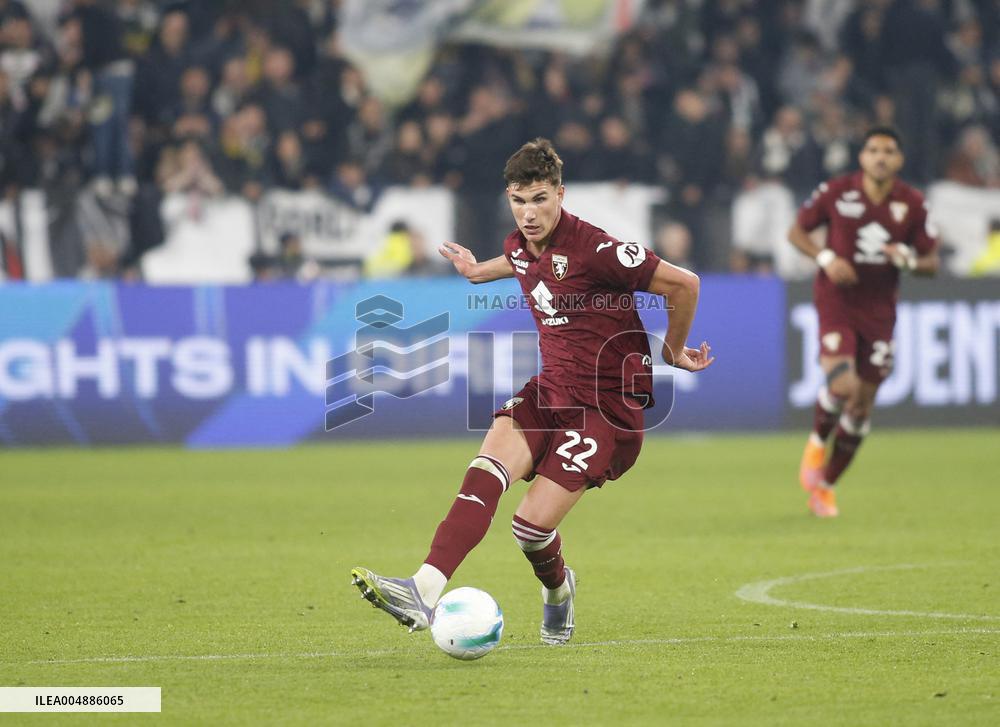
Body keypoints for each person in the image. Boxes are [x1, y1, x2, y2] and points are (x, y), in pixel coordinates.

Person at [351, 138, 714, 644]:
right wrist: (478, 272)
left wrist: (672, 353)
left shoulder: (598, 250)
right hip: (549, 391)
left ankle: (559, 590)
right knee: (485, 468)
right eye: (519, 201)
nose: (529, 213)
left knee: (530, 528)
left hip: (606, 411)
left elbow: (685, 285)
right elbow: (518, 262)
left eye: (540, 198)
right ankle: (422, 590)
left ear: (560, 195)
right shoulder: (520, 246)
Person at [788, 127, 939, 518]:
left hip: (880, 311)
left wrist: (906, 259)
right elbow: (797, 231)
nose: (880, 157)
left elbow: (931, 262)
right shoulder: (837, 192)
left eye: (889, 151)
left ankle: (826, 486)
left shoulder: (913, 203)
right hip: (837, 301)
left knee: (861, 408)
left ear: (899, 160)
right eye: (873, 150)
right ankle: (818, 441)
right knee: (842, 384)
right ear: (862, 157)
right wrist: (826, 260)